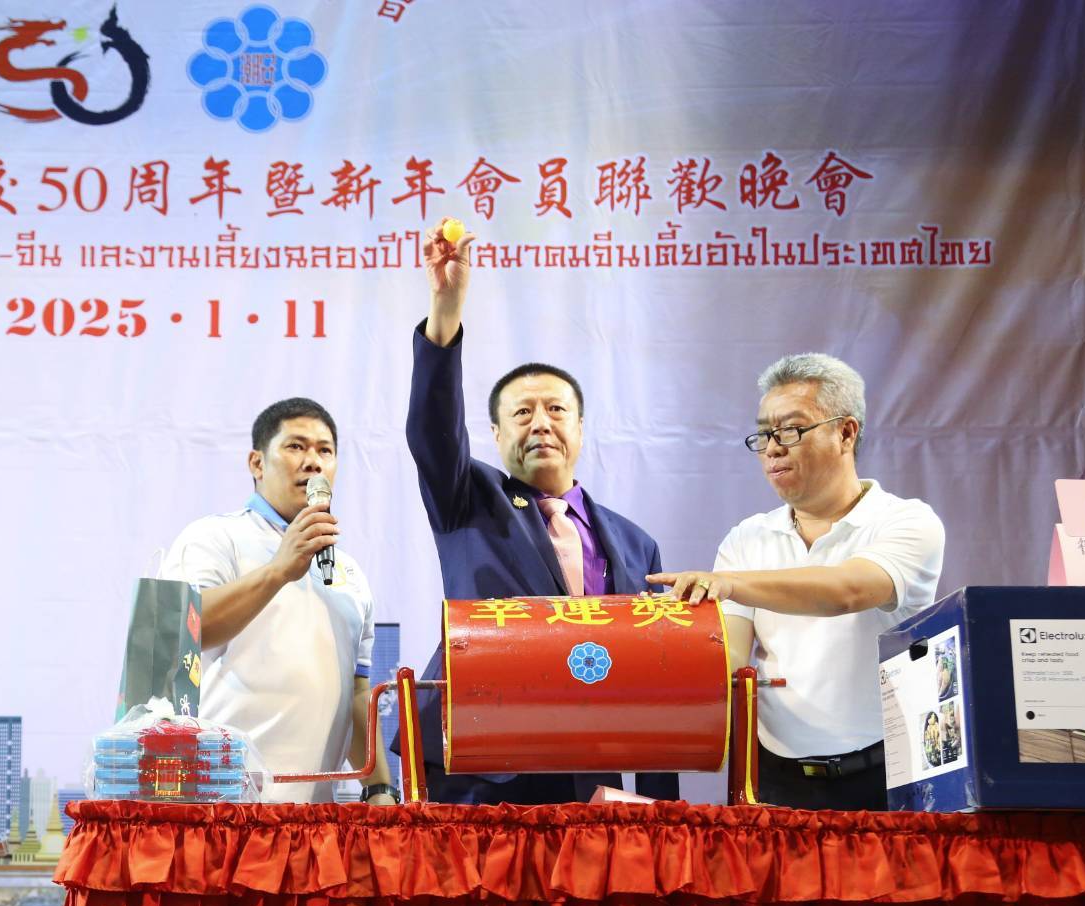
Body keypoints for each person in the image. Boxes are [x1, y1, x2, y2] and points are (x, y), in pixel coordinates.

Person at [404, 217, 676, 804]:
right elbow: (432, 431)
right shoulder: (469, 497)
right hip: (483, 766)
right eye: (522, 413)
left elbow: (654, 670)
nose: (541, 423)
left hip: (590, 768)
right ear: (496, 434)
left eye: (556, 409)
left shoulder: (636, 544)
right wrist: (445, 312)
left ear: (581, 427)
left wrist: (660, 803)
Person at [649, 353, 945, 811]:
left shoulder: (906, 521)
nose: (772, 449)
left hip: (888, 773)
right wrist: (657, 650)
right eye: (764, 435)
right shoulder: (747, 538)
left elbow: (847, 591)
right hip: (776, 778)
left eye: (790, 430)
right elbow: (730, 659)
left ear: (846, 432)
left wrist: (729, 584)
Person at [159, 398, 396, 804]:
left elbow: (356, 695)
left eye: (325, 451)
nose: (313, 461)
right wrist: (278, 571)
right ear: (256, 463)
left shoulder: (351, 574)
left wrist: (378, 787)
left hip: (313, 815)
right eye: (296, 446)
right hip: (222, 809)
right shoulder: (214, 538)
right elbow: (183, 637)